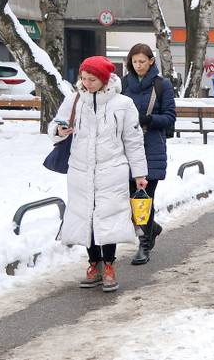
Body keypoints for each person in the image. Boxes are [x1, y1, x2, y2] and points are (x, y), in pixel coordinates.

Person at [48, 56, 148, 292]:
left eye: (92, 79)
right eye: (83, 78)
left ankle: (109, 265)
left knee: (109, 218)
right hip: (80, 171)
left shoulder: (123, 104)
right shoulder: (74, 100)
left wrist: (139, 174)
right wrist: (59, 130)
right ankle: (94, 264)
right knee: (86, 218)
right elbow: (54, 127)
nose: (86, 83)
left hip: (112, 171)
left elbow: (133, 141)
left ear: (104, 79)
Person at [121, 43, 176, 265]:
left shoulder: (162, 85)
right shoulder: (124, 84)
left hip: (152, 147)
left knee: (143, 199)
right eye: (135, 61)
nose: (138, 65)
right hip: (127, 148)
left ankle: (144, 245)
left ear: (151, 61)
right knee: (129, 199)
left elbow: (170, 117)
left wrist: (149, 120)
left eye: (142, 61)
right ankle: (152, 228)